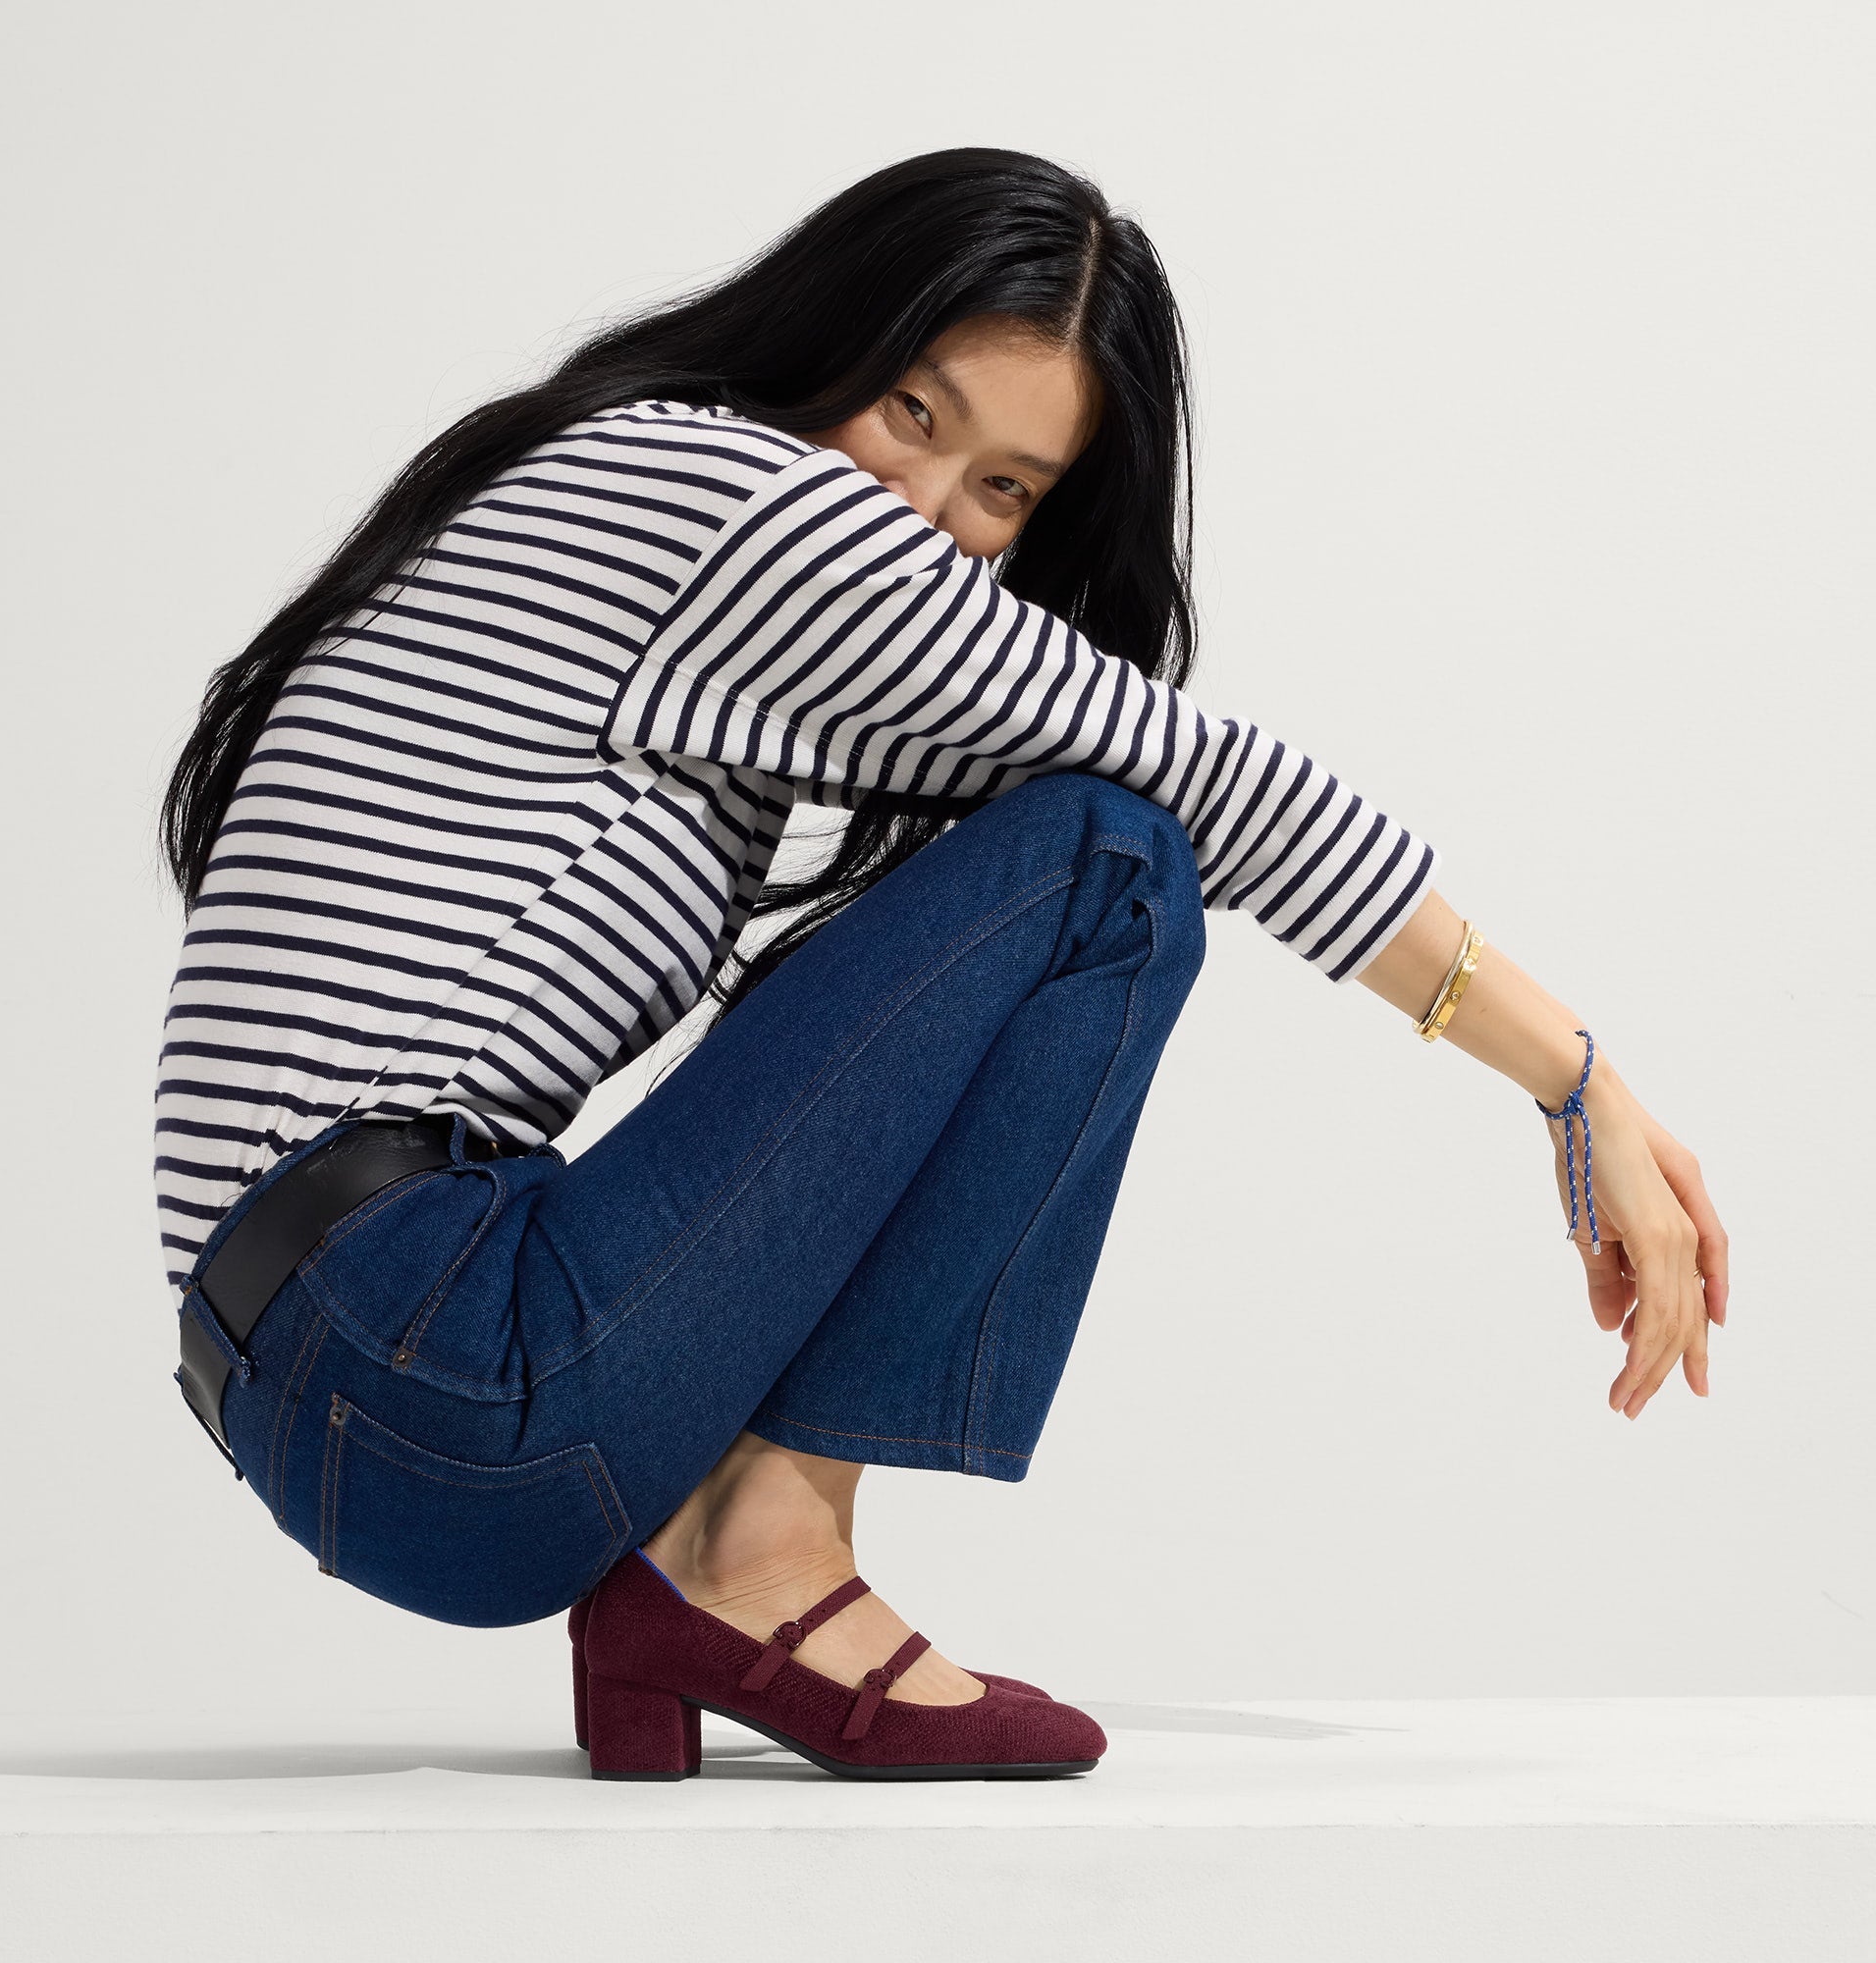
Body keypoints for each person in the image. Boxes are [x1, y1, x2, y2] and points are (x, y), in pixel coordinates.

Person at [154, 147, 1729, 1781]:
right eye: (913, 411)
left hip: (356, 1379)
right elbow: (1217, 786)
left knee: (1088, 838)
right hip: (414, 1352)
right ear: (829, 333)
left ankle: (721, 1570)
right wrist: (1579, 1086)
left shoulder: (692, 536)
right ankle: (755, 1559)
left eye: (1003, 492)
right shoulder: (730, 501)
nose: (919, 507)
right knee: (1109, 859)